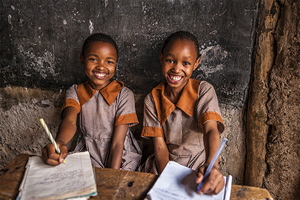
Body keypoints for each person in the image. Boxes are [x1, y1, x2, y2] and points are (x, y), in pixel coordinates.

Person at [140, 31, 225, 194]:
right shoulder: (152, 99)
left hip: (197, 167)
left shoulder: (203, 91)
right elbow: (160, 146)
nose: (176, 69)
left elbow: (211, 130)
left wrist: (211, 166)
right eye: (170, 60)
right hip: (163, 166)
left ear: (196, 63)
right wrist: (168, 183)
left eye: (185, 63)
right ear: (161, 58)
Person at [42, 33, 142, 171]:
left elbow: (118, 143)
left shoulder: (124, 95)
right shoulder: (75, 91)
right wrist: (60, 142)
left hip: (120, 155)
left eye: (109, 62)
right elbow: (69, 121)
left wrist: (112, 175)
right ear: (82, 60)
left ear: (115, 64)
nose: (101, 67)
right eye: (94, 59)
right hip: (89, 152)